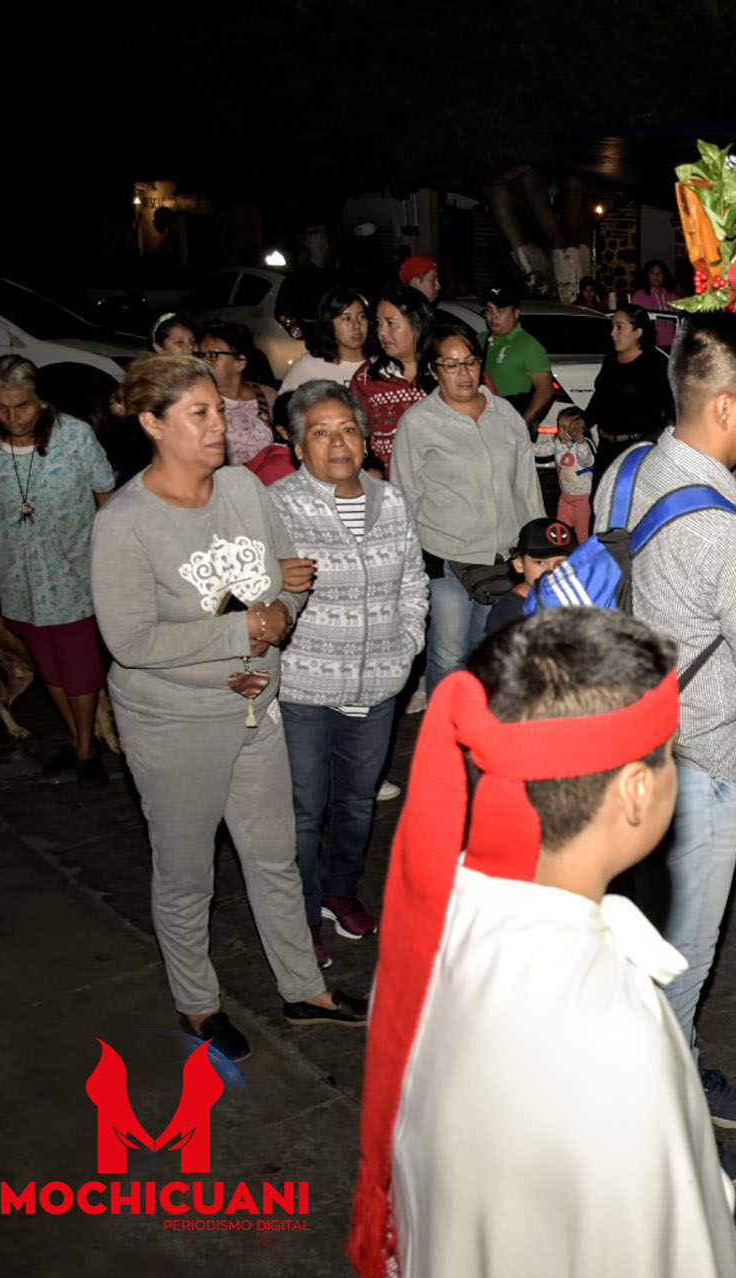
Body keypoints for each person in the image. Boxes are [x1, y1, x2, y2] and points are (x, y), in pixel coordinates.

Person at [345, 608, 736, 1278]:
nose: (675, 766)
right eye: (670, 752)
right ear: (635, 791)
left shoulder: (443, 919)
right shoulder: (610, 1033)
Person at [592, 310, 736, 1187]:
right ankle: (667, 1142)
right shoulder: (729, 538)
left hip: (621, 757)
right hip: (699, 780)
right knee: (674, 971)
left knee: (644, 948)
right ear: (723, 407)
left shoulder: (628, 470)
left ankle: (679, 1064)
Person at [91, 354, 365, 1060]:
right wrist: (244, 630)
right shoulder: (126, 522)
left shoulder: (244, 486)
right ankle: (198, 1002)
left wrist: (279, 618)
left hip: (257, 709)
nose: (222, 425)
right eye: (201, 414)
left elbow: (290, 577)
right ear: (153, 424)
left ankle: (304, 990)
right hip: (175, 720)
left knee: (273, 856)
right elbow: (130, 639)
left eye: (220, 410)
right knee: (186, 872)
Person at [270, 381, 428, 968]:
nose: (338, 442)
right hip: (306, 687)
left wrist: (406, 645)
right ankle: (304, 914)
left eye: (349, 429)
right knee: (306, 807)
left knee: (359, 802)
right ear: (296, 444)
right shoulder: (279, 504)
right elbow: (259, 592)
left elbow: (413, 581)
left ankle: (339, 892)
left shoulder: (392, 501)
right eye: (321, 431)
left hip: (379, 685)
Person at [0, 354, 115, 785]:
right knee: (48, 666)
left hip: (75, 571)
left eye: (21, 405)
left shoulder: (73, 436)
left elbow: (105, 493)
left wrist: (116, 554)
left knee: (79, 666)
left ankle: (83, 751)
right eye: (0, 407)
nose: (12, 416)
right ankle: (83, 742)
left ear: (40, 400)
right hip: (18, 579)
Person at [390, 323, 541, 696]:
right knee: (448, 654)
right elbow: (404, 493)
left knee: (484, 649)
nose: (464, 373)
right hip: (447, 557)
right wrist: (407, 561)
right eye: (451, 365)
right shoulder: (419, 423)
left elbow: (527, 484)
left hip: (502, 558)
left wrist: (537, 547)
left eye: (470, 362)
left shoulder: (504, 414)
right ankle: (445, 739)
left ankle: (476, 728)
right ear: (433, 370)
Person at [586, 302, 676, 487]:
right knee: (599, 504)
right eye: (613, 327)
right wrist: (585, 420)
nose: (613, 333)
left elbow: (672, 411)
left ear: (638, 332)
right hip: (606, 447)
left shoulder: (656, 364)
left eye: (620, 327)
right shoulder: (611, 357)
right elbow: (601, 395)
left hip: (637, 449)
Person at [351, 286, 434, 470]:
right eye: (379, 323)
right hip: (390, 489)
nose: (382, 332)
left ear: (417, 324)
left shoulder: (448, 368)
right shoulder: (367, 378)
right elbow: (353, 435)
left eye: (390, 323)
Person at [198, 321, 279, 467]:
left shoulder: (268, 397)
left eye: (212, 355)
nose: (203, 362)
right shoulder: (197, 402)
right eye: (200, 355)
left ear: (240, 362)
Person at [480, 285, 556, 442]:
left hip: (512, 431)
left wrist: (521, 424)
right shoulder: (478, 341)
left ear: (516, 312)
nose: (493, 317)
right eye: (489, 310)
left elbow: (545, 390)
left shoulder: (529, 346)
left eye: (500, 311)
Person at [483, 517, 577, 638]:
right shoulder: (508, 612)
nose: (551, 571)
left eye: (561, 564)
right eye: (540, 562)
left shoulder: (575, 601)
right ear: (519, 564)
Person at [280, 287, 372, 391]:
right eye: (347, 318)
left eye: (362, 317)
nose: (357, 326)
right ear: (329, 323)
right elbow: (283, 403)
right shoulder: (310, 366)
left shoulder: (382, 364)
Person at [552, 407, 596, 541]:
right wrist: (523, 444)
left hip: (582, 498)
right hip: (565, 497)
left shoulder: (583, 445)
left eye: (567, 428)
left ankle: (584, 557)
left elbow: (586, 460)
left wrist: (581, 442)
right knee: (560, 528)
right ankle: (561, 554)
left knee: (581, 531)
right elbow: (541, 450)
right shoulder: (558, 444)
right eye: (560, 427)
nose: (562, 432)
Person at [632, 259, 678, 348]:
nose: (656, 276)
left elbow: (680, 320)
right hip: (650, 346)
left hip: (672, 345)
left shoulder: (672, 295)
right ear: (647, 275)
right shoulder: (639, 296)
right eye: (652, 273)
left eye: (660, 273)